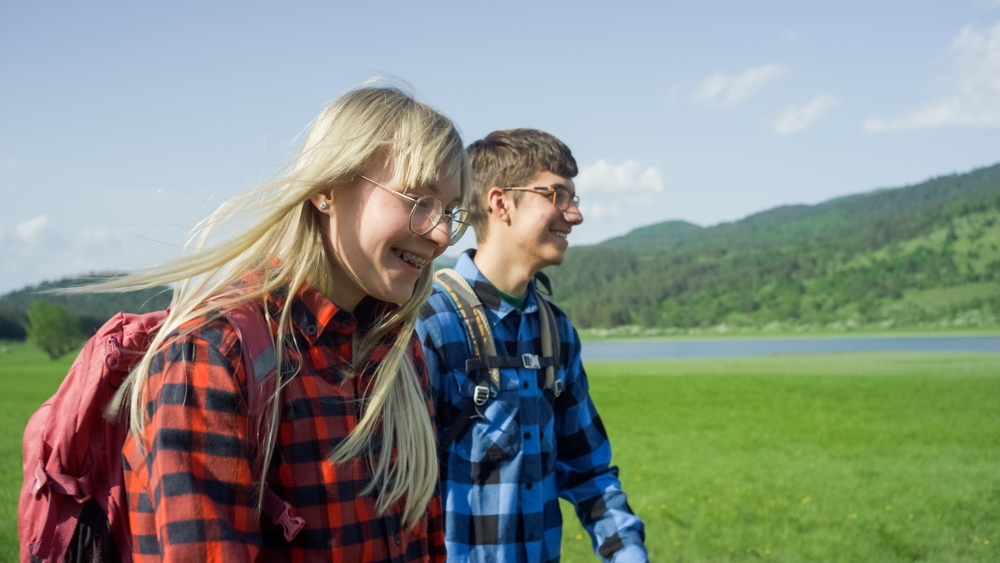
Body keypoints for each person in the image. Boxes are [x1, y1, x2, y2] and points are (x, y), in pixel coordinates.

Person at [102, 86, 471, 561]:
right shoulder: (212, 353)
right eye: (418, 200)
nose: (441, 234)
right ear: (325, 190)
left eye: (450, 212)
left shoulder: (397, 353)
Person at [416, 129, 648, 563]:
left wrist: (629, 553)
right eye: (557, 195)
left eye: (574, 198)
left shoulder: (556, 332)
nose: (574, 215)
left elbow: (589, 472)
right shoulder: (431, 322)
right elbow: (397, 493)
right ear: (501, 202)